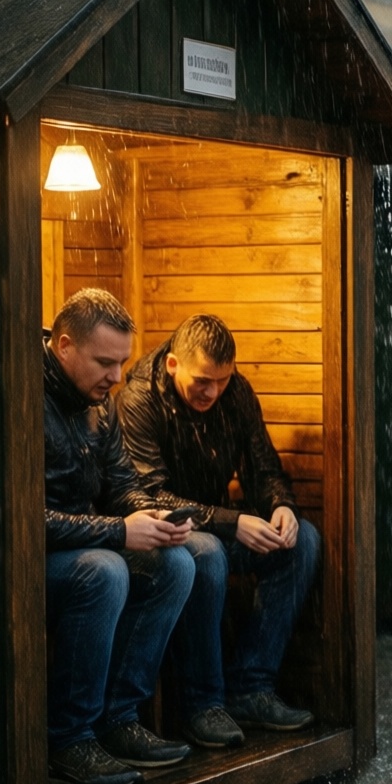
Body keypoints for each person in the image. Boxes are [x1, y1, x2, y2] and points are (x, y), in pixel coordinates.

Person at [118, 314, 320, 747]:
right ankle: (202, 704)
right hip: (161, 535)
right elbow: (151, 496)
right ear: (173, 365)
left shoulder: (236, 391)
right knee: (207, 551)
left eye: (222, 380)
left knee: (302, 539)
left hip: (217, 525)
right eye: (203, 381)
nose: (213, 391)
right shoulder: (138, 399)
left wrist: (281, 505)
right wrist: (234, 522)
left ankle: (251, 686)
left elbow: (263, 468)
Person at [43, 289, 195, 784]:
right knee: (105, 570)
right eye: (104, 362)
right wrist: (117, 531)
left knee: (176, 563)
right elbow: (23, 520)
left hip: (85, 545)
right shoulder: (23, 394)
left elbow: (121, 482)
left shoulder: (99, 405)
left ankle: (118, 719)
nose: (116, 376)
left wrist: (146, 512)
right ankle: (68, 739)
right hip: (26, 560)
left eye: (123, 362)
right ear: (64, 346)